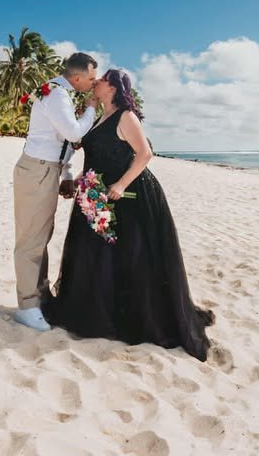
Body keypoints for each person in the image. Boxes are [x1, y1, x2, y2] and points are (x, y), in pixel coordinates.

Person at [43, 69, 214, 361]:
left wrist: (121, 185)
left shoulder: (126, 116)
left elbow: (144, 154)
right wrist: (80, 181)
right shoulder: (100, 117)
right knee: (98, 256)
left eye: (100, 80)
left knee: (132, 259)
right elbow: (97, 157)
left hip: (131, 196)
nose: (94, 82)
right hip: (98, 192)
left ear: (112, 87)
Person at [12, 52, 98, 332]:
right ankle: (27, 305)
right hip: (37, 170)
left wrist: (67, 174)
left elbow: (62, 142)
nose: (93, 84)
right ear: (77, 77)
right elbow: (74, 134)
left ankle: (39, 296)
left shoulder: (59, 93)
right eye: (91, 79)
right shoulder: (59, 95)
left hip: (46, 169)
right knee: (31, 240)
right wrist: (92, 109)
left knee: (41, 236)